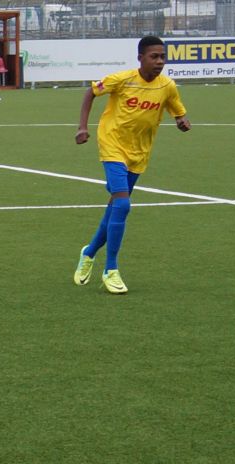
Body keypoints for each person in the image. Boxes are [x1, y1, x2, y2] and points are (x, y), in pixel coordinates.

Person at [73, 36, 190, 295]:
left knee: (115, 207)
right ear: (140, 58)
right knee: (123, 204)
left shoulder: (167, 86)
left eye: (162, 57)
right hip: (112, 145)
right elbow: (90, 92)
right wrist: (82, 127)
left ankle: (89, 252)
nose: (159, 61)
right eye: (154, 56)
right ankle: (110, 270)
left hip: (139, 152)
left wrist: (182, 121)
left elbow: (178, 111)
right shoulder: (122, 79)